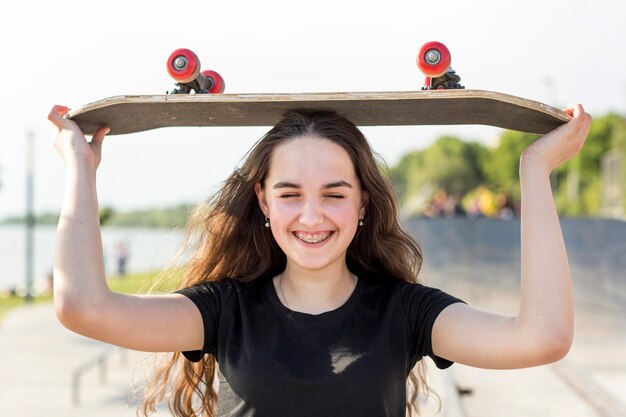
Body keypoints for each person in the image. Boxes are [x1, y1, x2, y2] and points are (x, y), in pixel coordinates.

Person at [48, 103, 591, 417]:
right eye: (290, 194)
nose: (312, 216)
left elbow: (541, 336)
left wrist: (535, 172)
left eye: (334, 193)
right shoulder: (224, 311)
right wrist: (81, 169)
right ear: (264, 202)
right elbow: (83, 306)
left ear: (361, 205)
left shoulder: (405, 313)